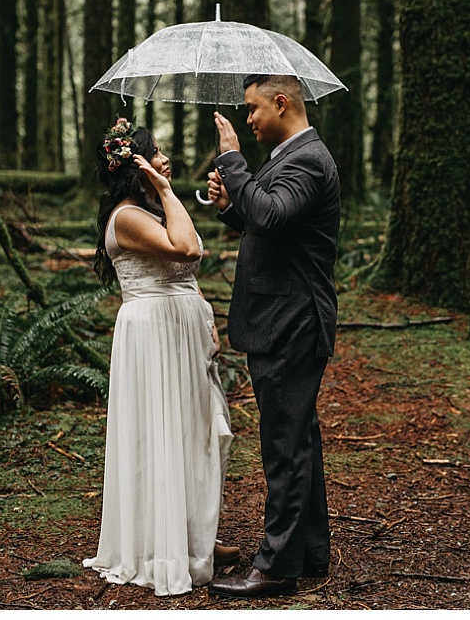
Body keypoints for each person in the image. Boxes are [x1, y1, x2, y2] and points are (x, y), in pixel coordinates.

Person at [83, 118, 239, 596]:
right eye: (156, 152)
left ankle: (196, 538)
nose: (165, 158)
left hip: (179, 328)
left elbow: (188, 264)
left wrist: (204, 311)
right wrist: (166, 190)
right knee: (163, 434)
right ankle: (165, 549)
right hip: (153, 333)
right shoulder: (127, 217)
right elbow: (190, 247)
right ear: (135, 166)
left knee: (194, 433)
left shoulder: (149, 209)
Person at [203, 75, 342, 599]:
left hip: (293, 323)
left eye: (253, 108)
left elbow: (272, 212)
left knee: (284, 445)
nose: (248, 119)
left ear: (281, 103)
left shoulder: (307, 158)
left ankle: (276, 565)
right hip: (281, 320)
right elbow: (263, 222)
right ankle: (309, 551)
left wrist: (234, 163)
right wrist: (229, 203)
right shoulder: (291, 156)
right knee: (298, 438)